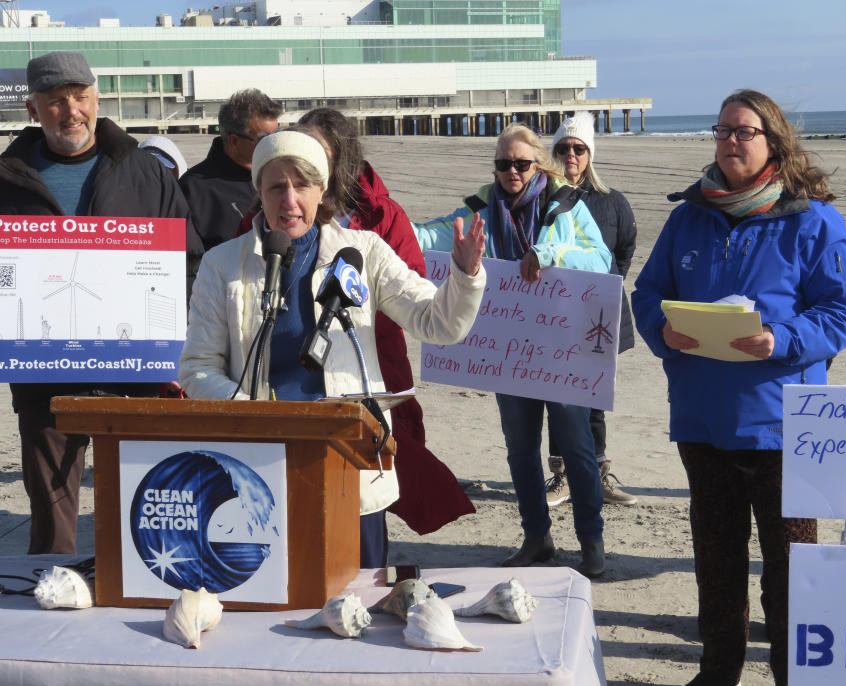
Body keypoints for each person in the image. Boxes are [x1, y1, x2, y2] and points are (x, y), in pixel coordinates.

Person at [631, 89, 846, 686]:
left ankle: (792, 680)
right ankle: (718, 672)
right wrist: (661, 330)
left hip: (787, 421)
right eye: (723, 130)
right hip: (703, 419)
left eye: (745, 131)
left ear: (773, 142)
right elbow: (648, 292)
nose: (731, 141)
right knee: (716, 555)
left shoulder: (812, 220)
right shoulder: (688, 216)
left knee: (790, 565)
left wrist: (780, 340)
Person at [0, 51, 204, 555]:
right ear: (34, 110)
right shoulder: (3, 181)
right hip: (44, 376)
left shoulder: (144, 173)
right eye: (56, 101)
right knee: (52, 513)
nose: (72, 111)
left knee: (146, 503)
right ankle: (50, 599)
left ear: (97, 98)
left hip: (139, 372)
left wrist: (185, 346)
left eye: (80, 97)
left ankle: (142, 594)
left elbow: (189, 264)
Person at [178, 129, 487, 568]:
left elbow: (436, 322)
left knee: (355, 603)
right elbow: (197, 369)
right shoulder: (223, 264)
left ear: (321, 191)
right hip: (260, 464)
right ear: (259, 194)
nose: (289, 199)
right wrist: (252, 413)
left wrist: (464, 275)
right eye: (276, 187)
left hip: (349, 463)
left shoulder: (364, 252)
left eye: (302, 185)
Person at [414, 123, 612, 577]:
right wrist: (385, 227)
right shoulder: (481, 207)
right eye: (503, 164)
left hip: (561, 350)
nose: (511, 172)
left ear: (538, 164)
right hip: (508, 353)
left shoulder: (567, 204)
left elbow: (599, 259)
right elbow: (432, 237)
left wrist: (550, 252)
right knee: (520, 450)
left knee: (578, 448)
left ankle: (591, 540)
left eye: (521, 164)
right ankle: (536, 537)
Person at [296, 108, 475, 535]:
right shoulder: (269, 216)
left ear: (341, 158)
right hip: (295, 377)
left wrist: (465, 278)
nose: (306, 161)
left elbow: (413, 290)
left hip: (369, 364)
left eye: (316, 151)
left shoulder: (381, 217)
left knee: (367, 495)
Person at [546, 112, 638, 508]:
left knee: (594, 398)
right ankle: (562, 475)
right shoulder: (542, 198)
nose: (571, 154)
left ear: (589, 153)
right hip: (551, 315)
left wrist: (601, 289)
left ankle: (598, 473)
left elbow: (625, 250)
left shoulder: (612, 202)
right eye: (563, 147)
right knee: (555, 395)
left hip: (599, 316)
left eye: (578, 148)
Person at [180, 88, 281, 250]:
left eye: (277, 135)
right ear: (234, 141)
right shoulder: (192, 190)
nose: (275, 144)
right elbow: (190, 262)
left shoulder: (284, 178)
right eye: (265, 138)